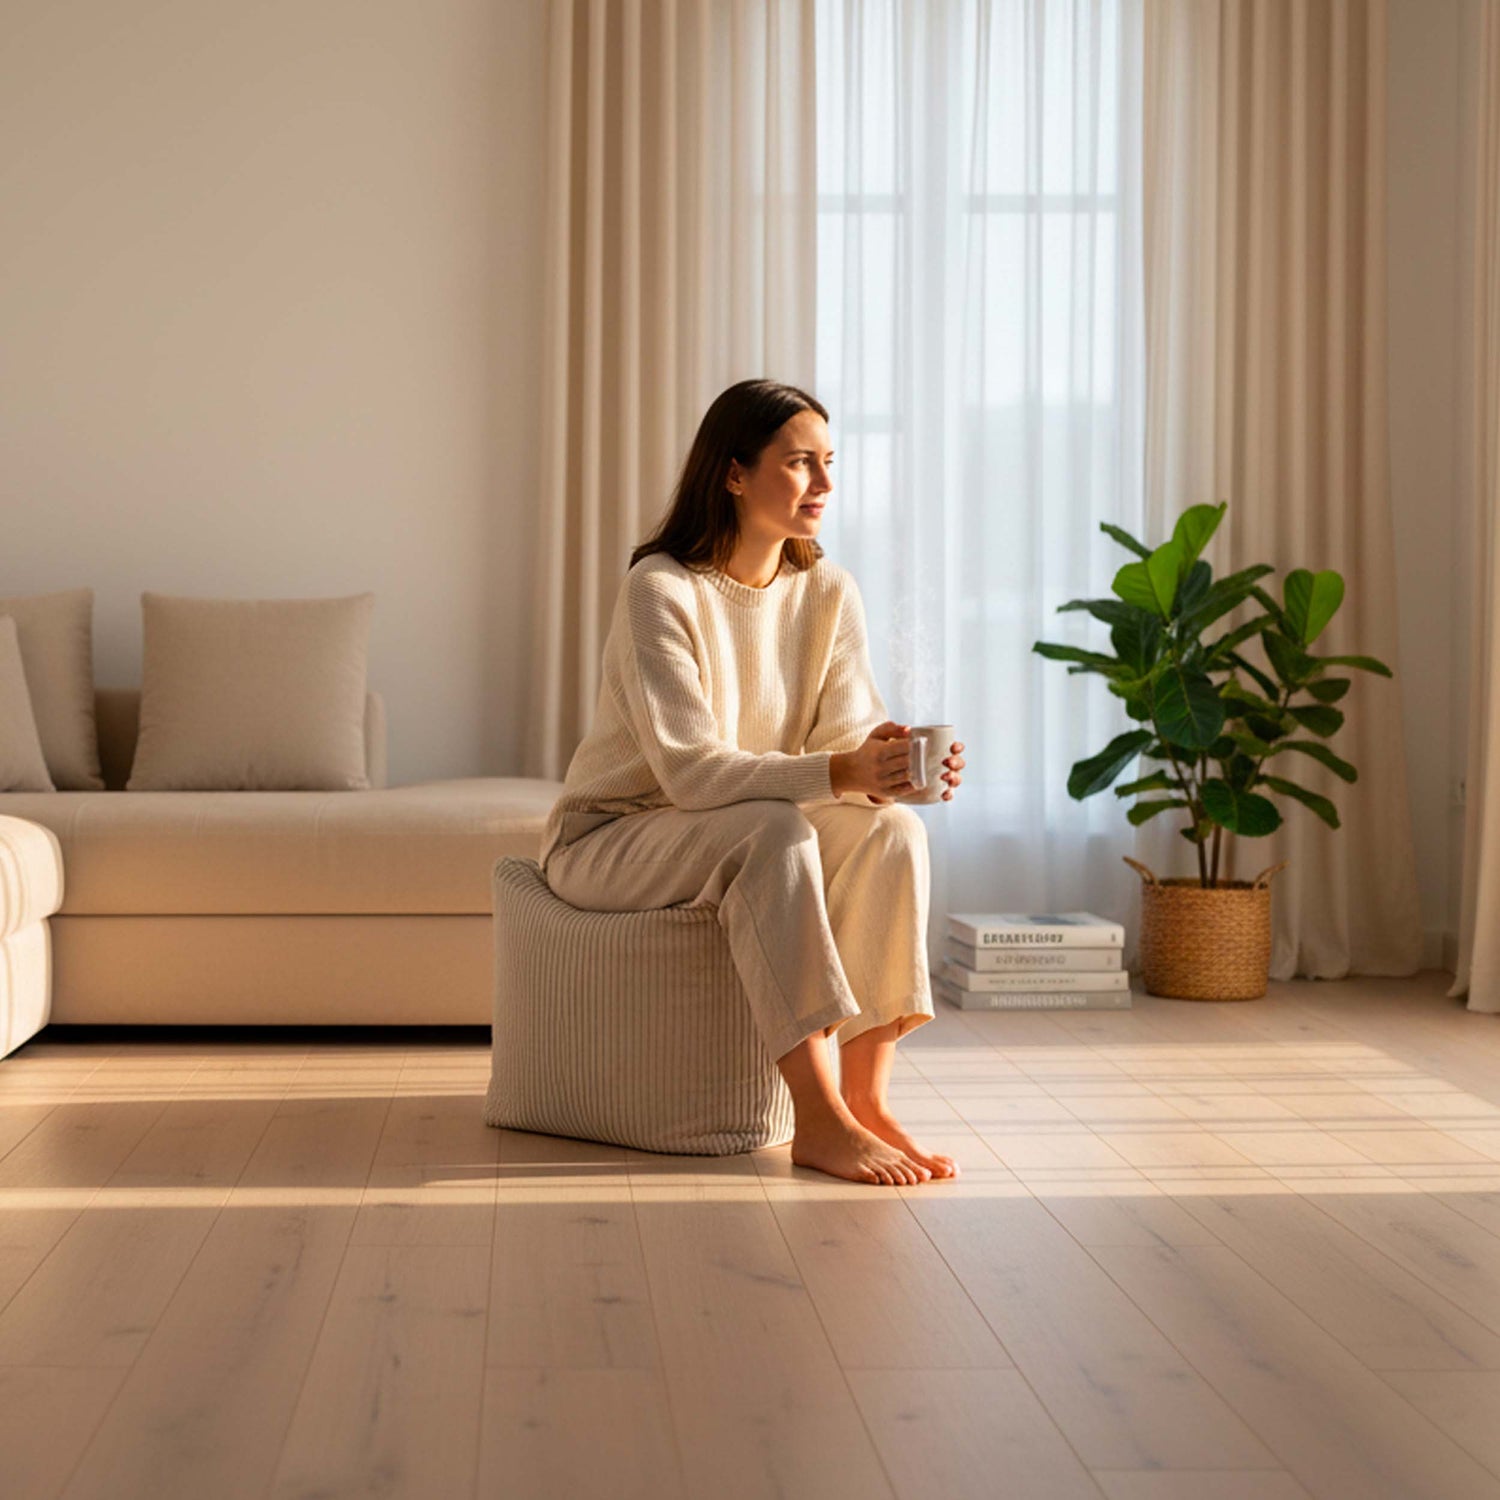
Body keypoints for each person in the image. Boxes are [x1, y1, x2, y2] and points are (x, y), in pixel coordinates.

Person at [538, 379, 967, 1186]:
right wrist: (842, 770)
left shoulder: (829, 591)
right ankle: (817, 1119)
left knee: (891, 833)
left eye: (830, 463)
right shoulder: (659, 590)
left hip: (729, 824)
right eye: (802, 463)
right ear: (735, 474)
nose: (826, 486)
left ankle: (867, 1100)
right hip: (613, 836)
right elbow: (693, 773)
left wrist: (886, 769)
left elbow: (840, 740)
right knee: (772, 829)